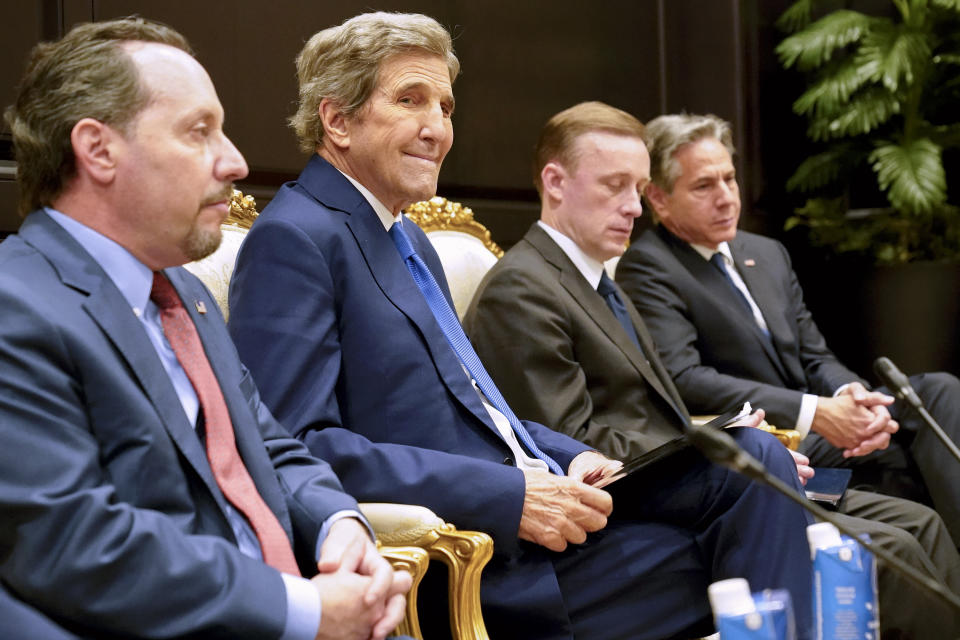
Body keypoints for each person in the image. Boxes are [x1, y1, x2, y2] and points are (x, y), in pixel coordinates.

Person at [228, 15, 819, 640]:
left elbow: (479, 410)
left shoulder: (407, 240)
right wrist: (510, 494)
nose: (438, 129)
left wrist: (574, 456)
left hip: (552, 513)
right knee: (767, 519)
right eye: (409, 100)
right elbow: (297, 447)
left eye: (446, 106)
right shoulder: (295, 238)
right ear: (337, 120)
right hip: (481, 557)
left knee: (748, 458)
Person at [463, 101, 960, 639]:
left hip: (697, 483)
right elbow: (572, 445)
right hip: (638, 513)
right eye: (615, 186)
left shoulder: (596, 281)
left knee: (918, 522)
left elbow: (663, 415)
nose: (634, 206)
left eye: (639, 187)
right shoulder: (524, 288)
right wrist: (728, 457)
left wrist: (741, 445)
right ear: (555, 182)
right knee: (892, 548)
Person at [0, 18, 411, 640]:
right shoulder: (17, 305)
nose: (237, 161)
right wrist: (302, 611)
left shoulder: (182, 291)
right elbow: (73, 541)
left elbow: (269, 448)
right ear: (98, 150)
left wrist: (339, 526)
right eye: (199, 132)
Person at [615, 112, 960, 548]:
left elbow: (815, 355)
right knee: (924, 423)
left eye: (730, 179)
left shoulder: (765, 252)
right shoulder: (648, 267)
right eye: (704, 186)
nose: (726, 198)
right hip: (771, 445)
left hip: (822, 428)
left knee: (936, 395)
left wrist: (852, 398)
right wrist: (816, 412)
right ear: (659, 199)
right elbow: (685, 379)